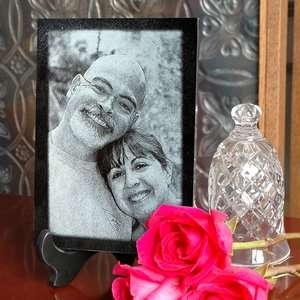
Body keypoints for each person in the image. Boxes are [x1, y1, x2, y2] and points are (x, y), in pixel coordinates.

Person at [48, 55, 146, 240]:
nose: (107, 106)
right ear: (75, 86)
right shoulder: (27, 160)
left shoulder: (128, 190)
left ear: (132, 121)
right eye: (99, 88)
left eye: (124, 105)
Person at [98, 129, 182, 240]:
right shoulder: (124, 245)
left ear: (167, 170)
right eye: (117, 174)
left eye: (140, 165)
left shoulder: (203, 217)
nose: (130, 182)